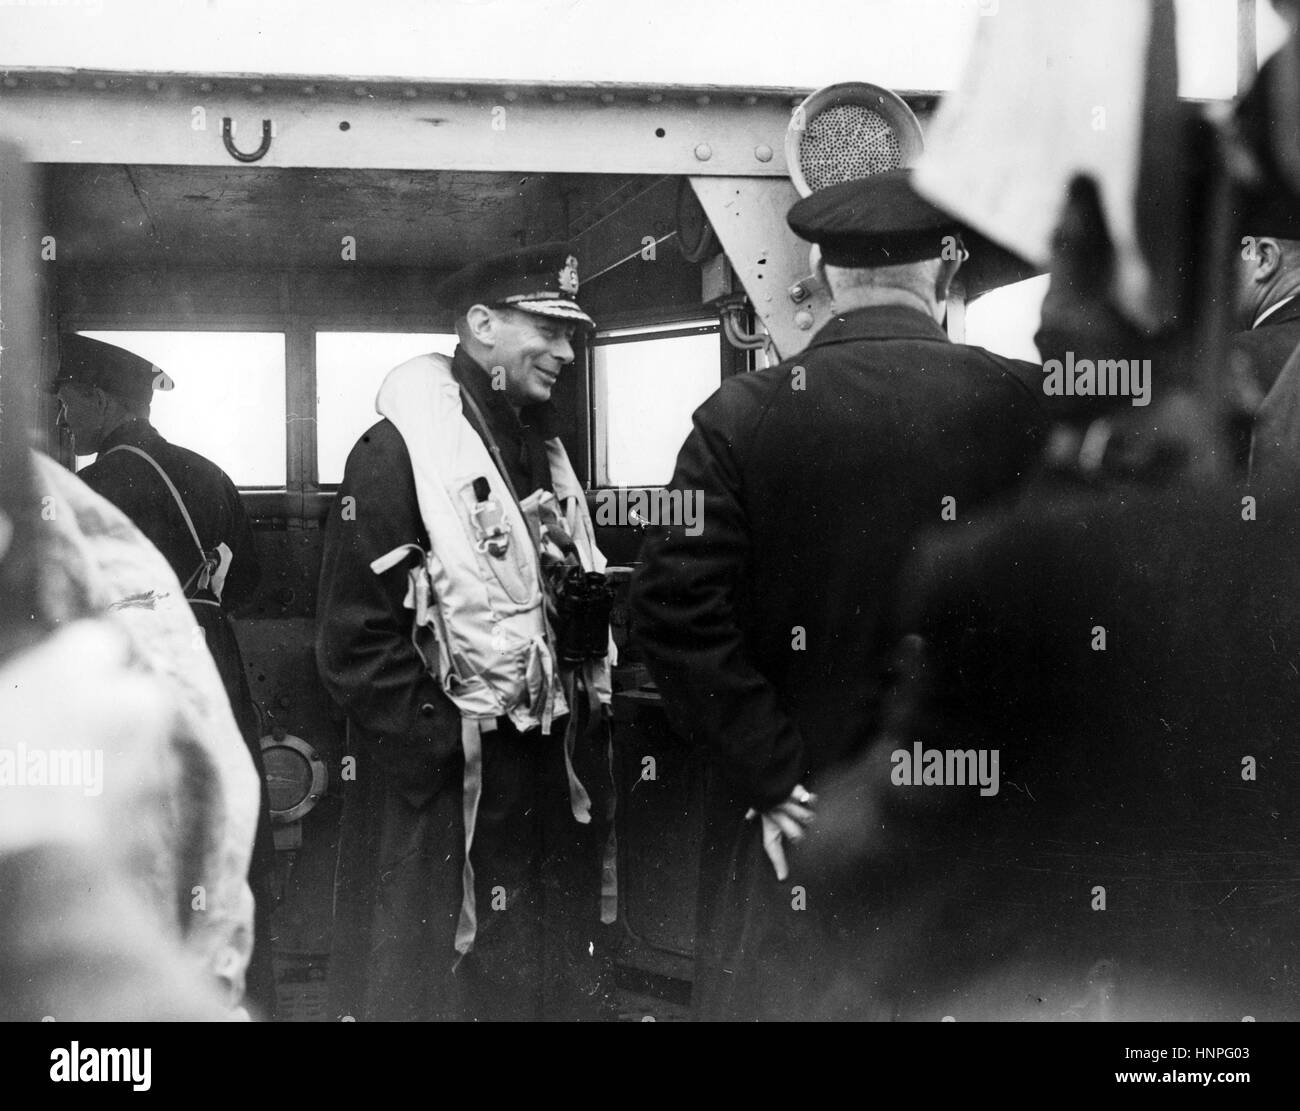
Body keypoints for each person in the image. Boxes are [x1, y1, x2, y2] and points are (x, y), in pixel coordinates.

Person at [628, 169, 1048, 1021]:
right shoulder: (1026, 406)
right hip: (976, 839)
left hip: (798, 835)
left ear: (820, 277)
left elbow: (670, 607)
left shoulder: (737, 416)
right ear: (947, 267)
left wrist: (773, 775)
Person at [316, 242, 615, 1021]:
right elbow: (353, 646)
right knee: (437, 979)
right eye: (548, 328)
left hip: (542, 770)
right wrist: (453, 744)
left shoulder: (538, 451)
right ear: (481, 323)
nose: (566, 352)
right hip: (449, 784)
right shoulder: (390, 457)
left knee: (535, 973)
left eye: (573, 333)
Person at [51, 334, 277, 1018]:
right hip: (220, 673)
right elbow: (259, 580)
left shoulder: (90, 491)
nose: (62, 418)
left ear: (97, 397)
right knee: (228, 840)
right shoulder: (210, 473)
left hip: (144, 677)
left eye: (67, 401)